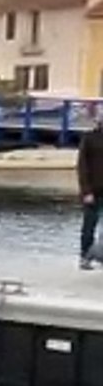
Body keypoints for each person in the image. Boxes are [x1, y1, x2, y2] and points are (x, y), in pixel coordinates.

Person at [78, 109, 103, 270]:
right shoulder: (89, 138)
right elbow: (82, 166)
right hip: (93, 190)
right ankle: (85, 256)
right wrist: (86, 191)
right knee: (89, 226)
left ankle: (100, 256)